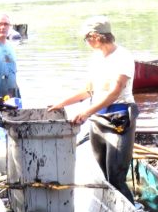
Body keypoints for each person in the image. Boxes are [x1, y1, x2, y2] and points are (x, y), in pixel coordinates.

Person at [48, 16, 138, 201]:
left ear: (96, 36)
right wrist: (61, 103)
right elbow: (89, 90)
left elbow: (114, 93)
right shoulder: (96, 58)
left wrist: (86, 113)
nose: (86, 42)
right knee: (103, 176)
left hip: (119, 120)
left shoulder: (123, 57)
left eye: (87, 38)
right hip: (97, 120)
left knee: (116, 178)